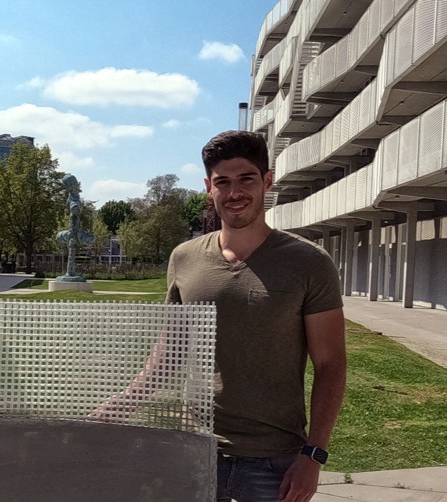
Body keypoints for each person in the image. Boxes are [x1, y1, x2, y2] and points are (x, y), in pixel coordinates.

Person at [93, 131, 346, 502]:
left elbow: (331, 365)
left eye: (247, 179)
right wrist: (118, 405)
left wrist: (314, 455)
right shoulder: (185, 258)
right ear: (209, 187)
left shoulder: (309, 262)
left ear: (268, 181)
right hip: (194, 449)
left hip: (272, 462)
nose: (234, 193)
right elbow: (169, 356)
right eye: (223, 182)